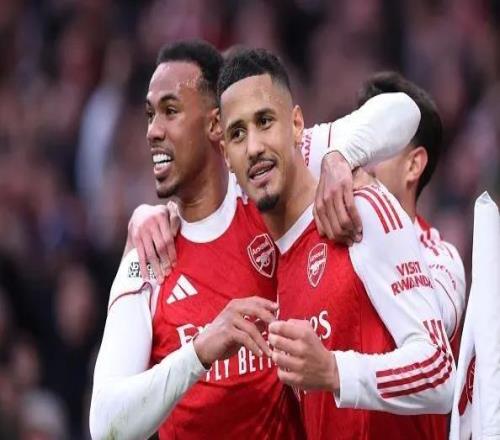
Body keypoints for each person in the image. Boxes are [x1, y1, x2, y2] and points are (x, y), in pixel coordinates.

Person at [90, 40, 421, 440]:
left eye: (170, 111)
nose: (153, 131)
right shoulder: (148, 254)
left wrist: (339, 156)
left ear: (215, 125)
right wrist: (200, 351)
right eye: (150, 115)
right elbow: (105, 424)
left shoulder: (265, 185)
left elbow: (403, 112)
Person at [217, 48, 455, 439]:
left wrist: (334, 370)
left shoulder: (360, 208)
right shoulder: (274, 260)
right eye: (237, 133)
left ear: (297, 125)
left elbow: (439, 373)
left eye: (265, 121)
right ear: (226, 155)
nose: (254, 146)